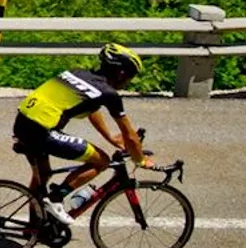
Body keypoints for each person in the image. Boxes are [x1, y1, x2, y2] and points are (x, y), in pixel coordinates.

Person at [13, 43, 151, 225]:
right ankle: (55, 198)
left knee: (42, 176)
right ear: (121, 73)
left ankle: (34, 226)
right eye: (130, 76)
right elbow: (130, 135)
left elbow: (92, 110)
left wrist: (110, 138)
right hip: (42, 132)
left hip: (22, 124)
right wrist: (141, 160)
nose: (128, 82)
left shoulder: (76, 74)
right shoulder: (109, 94)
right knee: (102, 160)